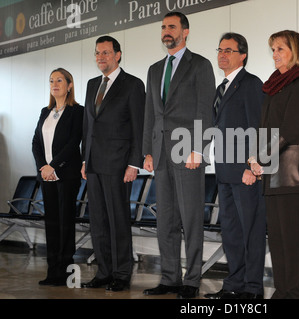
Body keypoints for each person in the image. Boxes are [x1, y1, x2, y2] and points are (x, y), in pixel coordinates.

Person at [142, 12, 215, 299]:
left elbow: (204, 110)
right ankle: (170, 278)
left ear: (185, 32)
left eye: (171, 27)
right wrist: (147, 151)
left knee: (191, 219)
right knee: (166, 222)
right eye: (163, 27)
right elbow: (151, 113)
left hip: (188, 154)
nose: (166, 31)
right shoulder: (154, 69)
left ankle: (192, 280)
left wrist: (198, 149)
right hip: (160, 155)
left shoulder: (200, 65)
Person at [249, 30, 299, 299]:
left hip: (290, 171)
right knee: (277, 239)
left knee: (294, 239)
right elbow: (265, 129)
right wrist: (256, 157)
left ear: (295, 51)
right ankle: (283, 290)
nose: (274, 54)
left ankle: (297, 293)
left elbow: (290, 129)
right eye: (272, 49)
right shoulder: (274, 84)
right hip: (271, 172)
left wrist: (260, 158)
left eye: (280, 49)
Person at [204, 33, 266, 300]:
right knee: (231, 232)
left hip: (244, 173)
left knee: (251, 231)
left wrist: (251, 165)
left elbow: (257, 127)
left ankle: (252, 289)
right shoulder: (221, 88)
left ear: (243, 55)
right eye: (220, 49)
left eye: (228, 50)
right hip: (225, 172)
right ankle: (234, 285)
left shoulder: (251, 84)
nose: (222, 54)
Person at [80, 36, 145, 292]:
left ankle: (121, 274)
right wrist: (85, 159)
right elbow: (88, 126)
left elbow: (139, 127)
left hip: (119, 165)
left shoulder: (132, 85)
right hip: (94, 164)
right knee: (98, 221)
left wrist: (134, 164)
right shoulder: (91, 84)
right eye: (97, 53)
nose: (100, 57)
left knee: (118, 221)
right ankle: (104, 272)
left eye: (106, 53)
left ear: (118, 55)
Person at [32, 68, 84, 286]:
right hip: (47, 176)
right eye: (51, 80)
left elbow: (74, 143)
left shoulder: (77, 111)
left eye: (59, 80)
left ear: (69, 85)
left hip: (66, 174)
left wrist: (53, 166)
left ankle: (64, 271)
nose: (55, 84)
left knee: (65, 224)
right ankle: (52, 271)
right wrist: (43, 167)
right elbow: (36, 143)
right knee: (51, 223)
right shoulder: (46, 111)